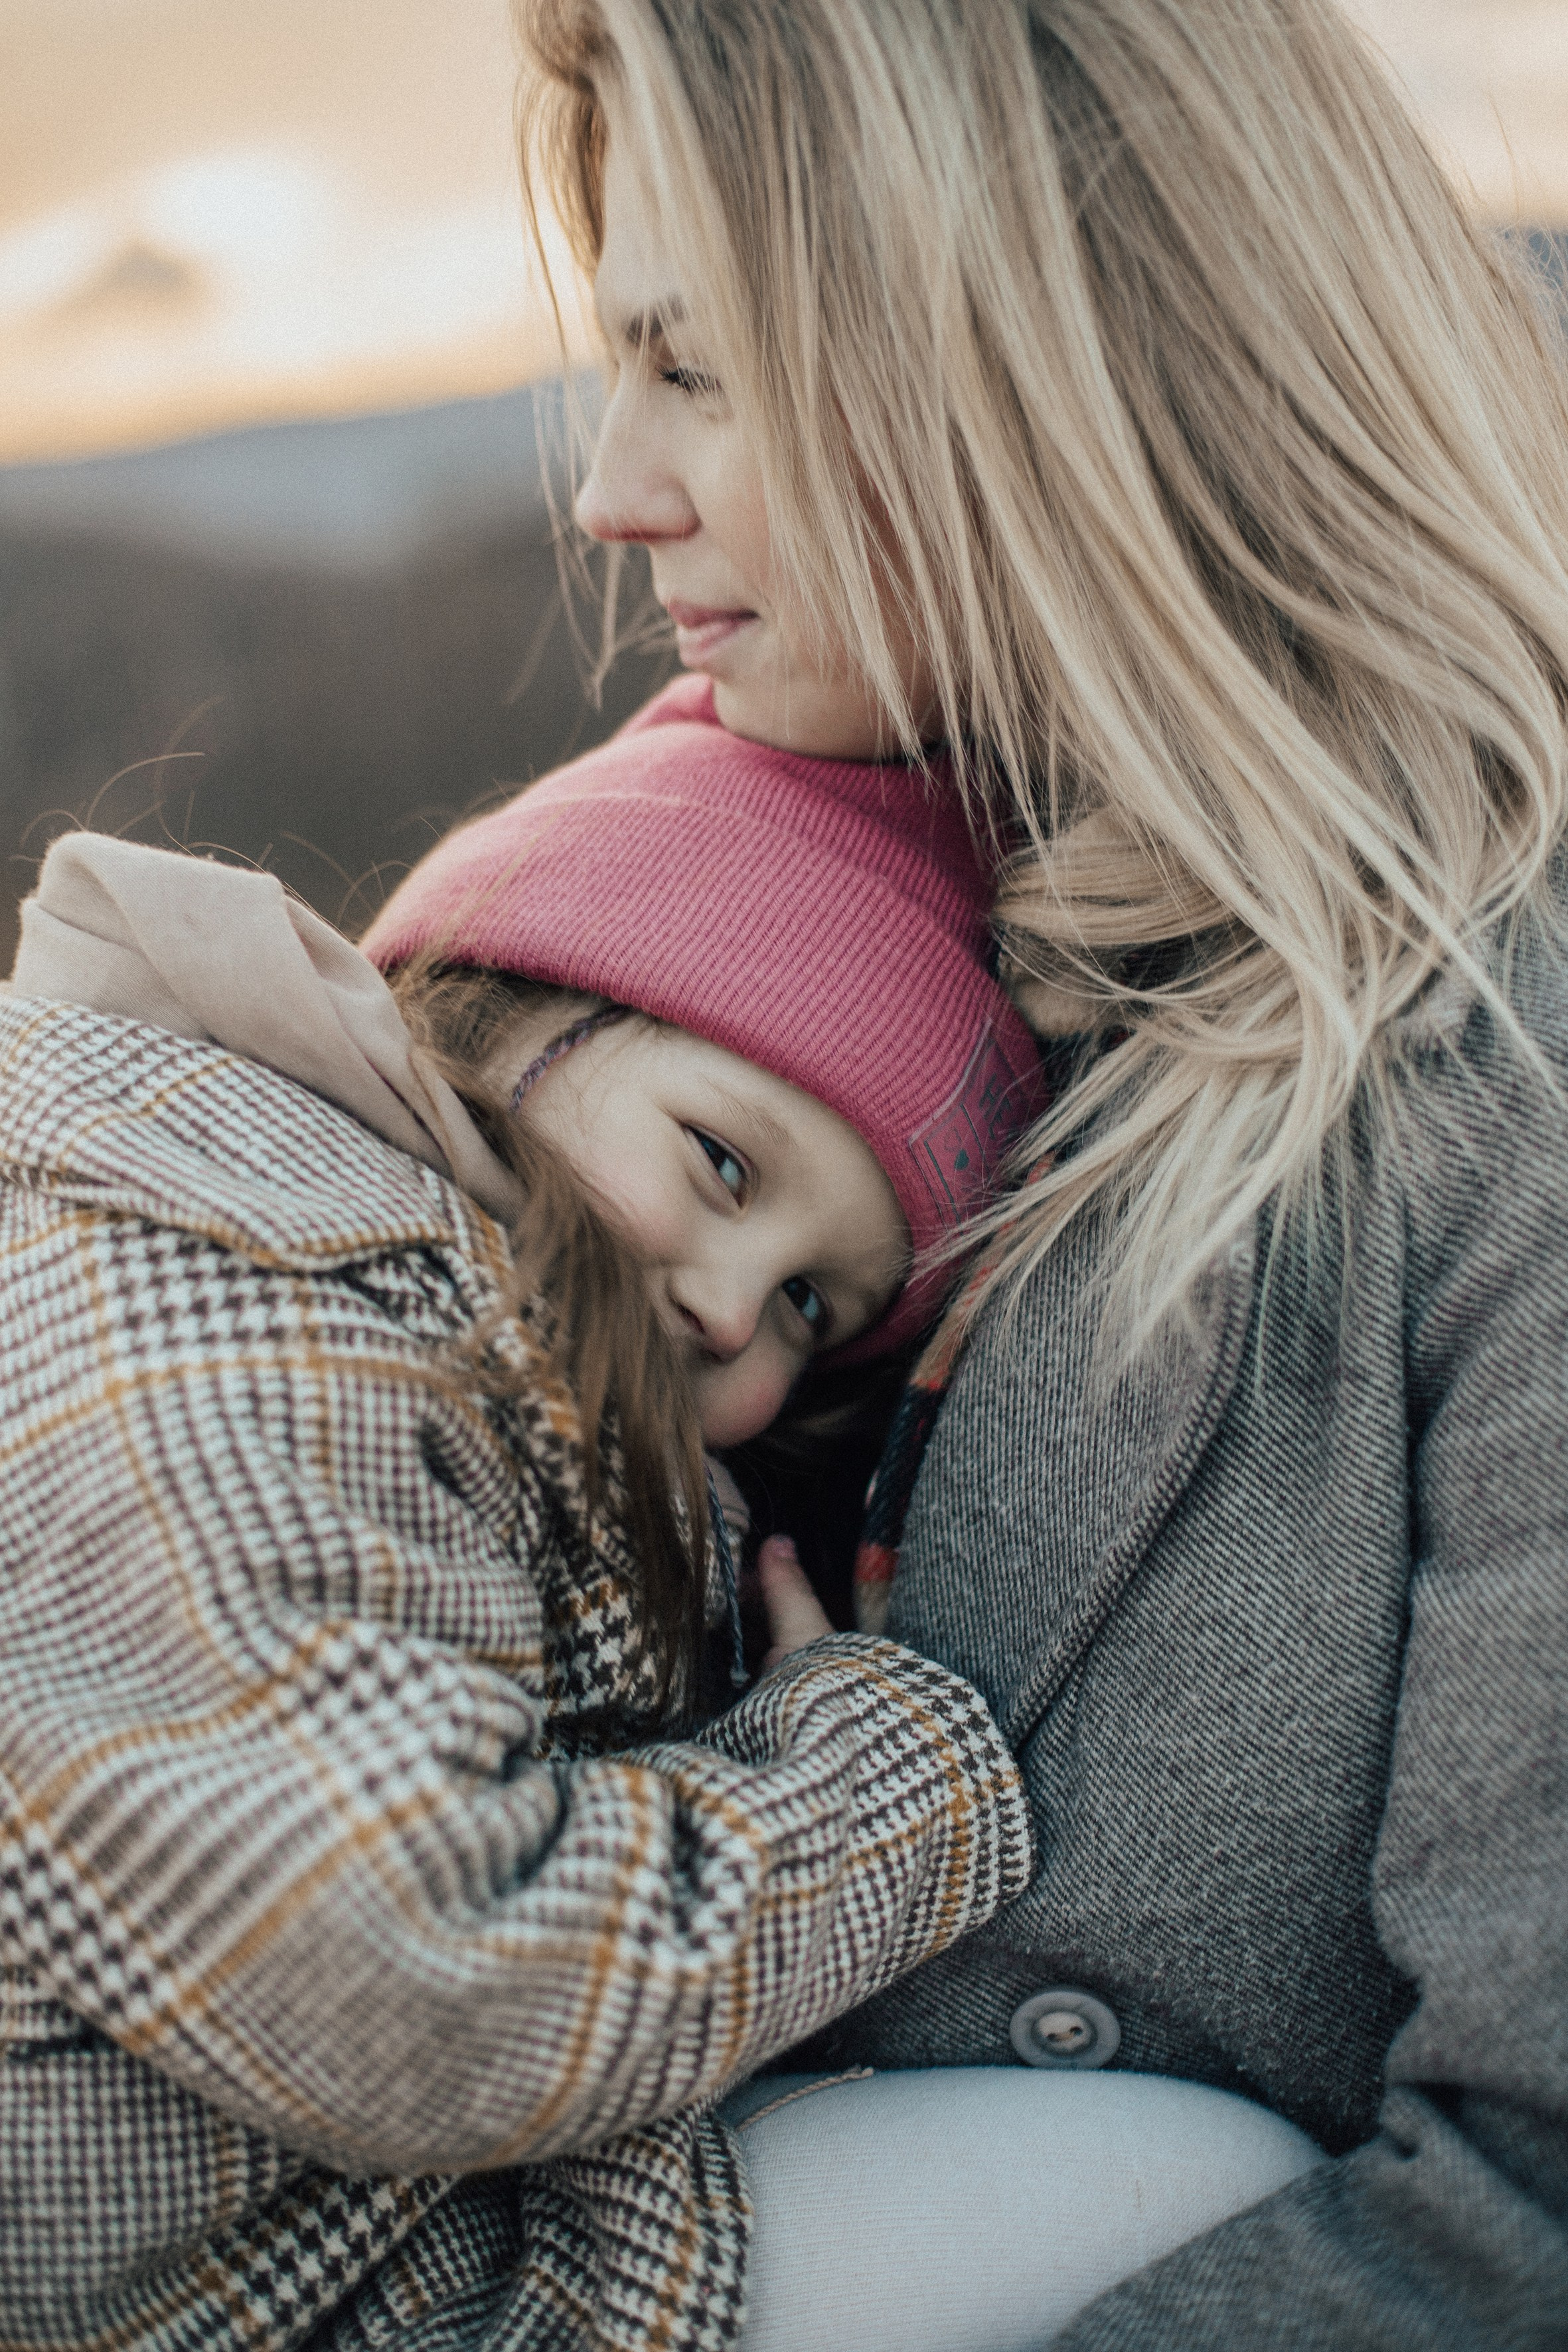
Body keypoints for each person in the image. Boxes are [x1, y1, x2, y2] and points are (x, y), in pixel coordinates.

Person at [507, 0, 1568, 2343]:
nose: (612, 491)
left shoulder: (1508, 1086)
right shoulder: (729, 930)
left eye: (698, 369)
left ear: (1032, 350)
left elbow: (1531, 2217)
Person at [0, 692, 1045, 2350]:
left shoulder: (416, 1301)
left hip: (337, 2244)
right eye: (719, 1161)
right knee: (1168, 2169)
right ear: (533, 1000)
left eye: (808, 1309)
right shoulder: (237, 1319)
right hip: (292, 2299)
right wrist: (863, 1782)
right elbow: (409, 1972)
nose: (725, 1306)